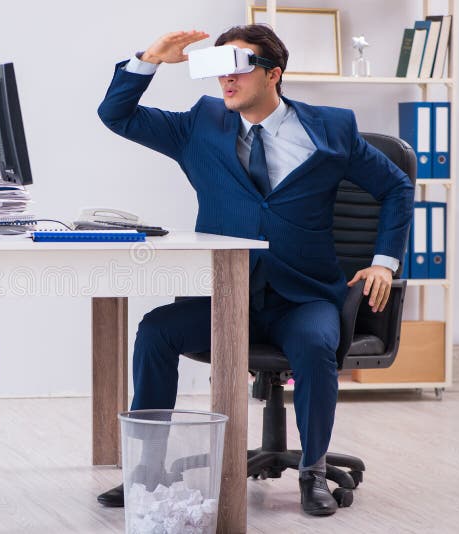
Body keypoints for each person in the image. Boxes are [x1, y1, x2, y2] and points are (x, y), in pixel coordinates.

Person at [95, 25, 414, 516]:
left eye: (238, 67)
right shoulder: (199, 125)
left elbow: (396, 186)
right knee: (156, 332)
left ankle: (313, 472)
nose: (226, 80)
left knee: (313, 344)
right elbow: (115, 115)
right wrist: (151, 59)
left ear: (273, 74)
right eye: (219, 69)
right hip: (225, 298)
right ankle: (147, 472)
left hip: (303, 297)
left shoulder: (331, 130)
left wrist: (383, 262)